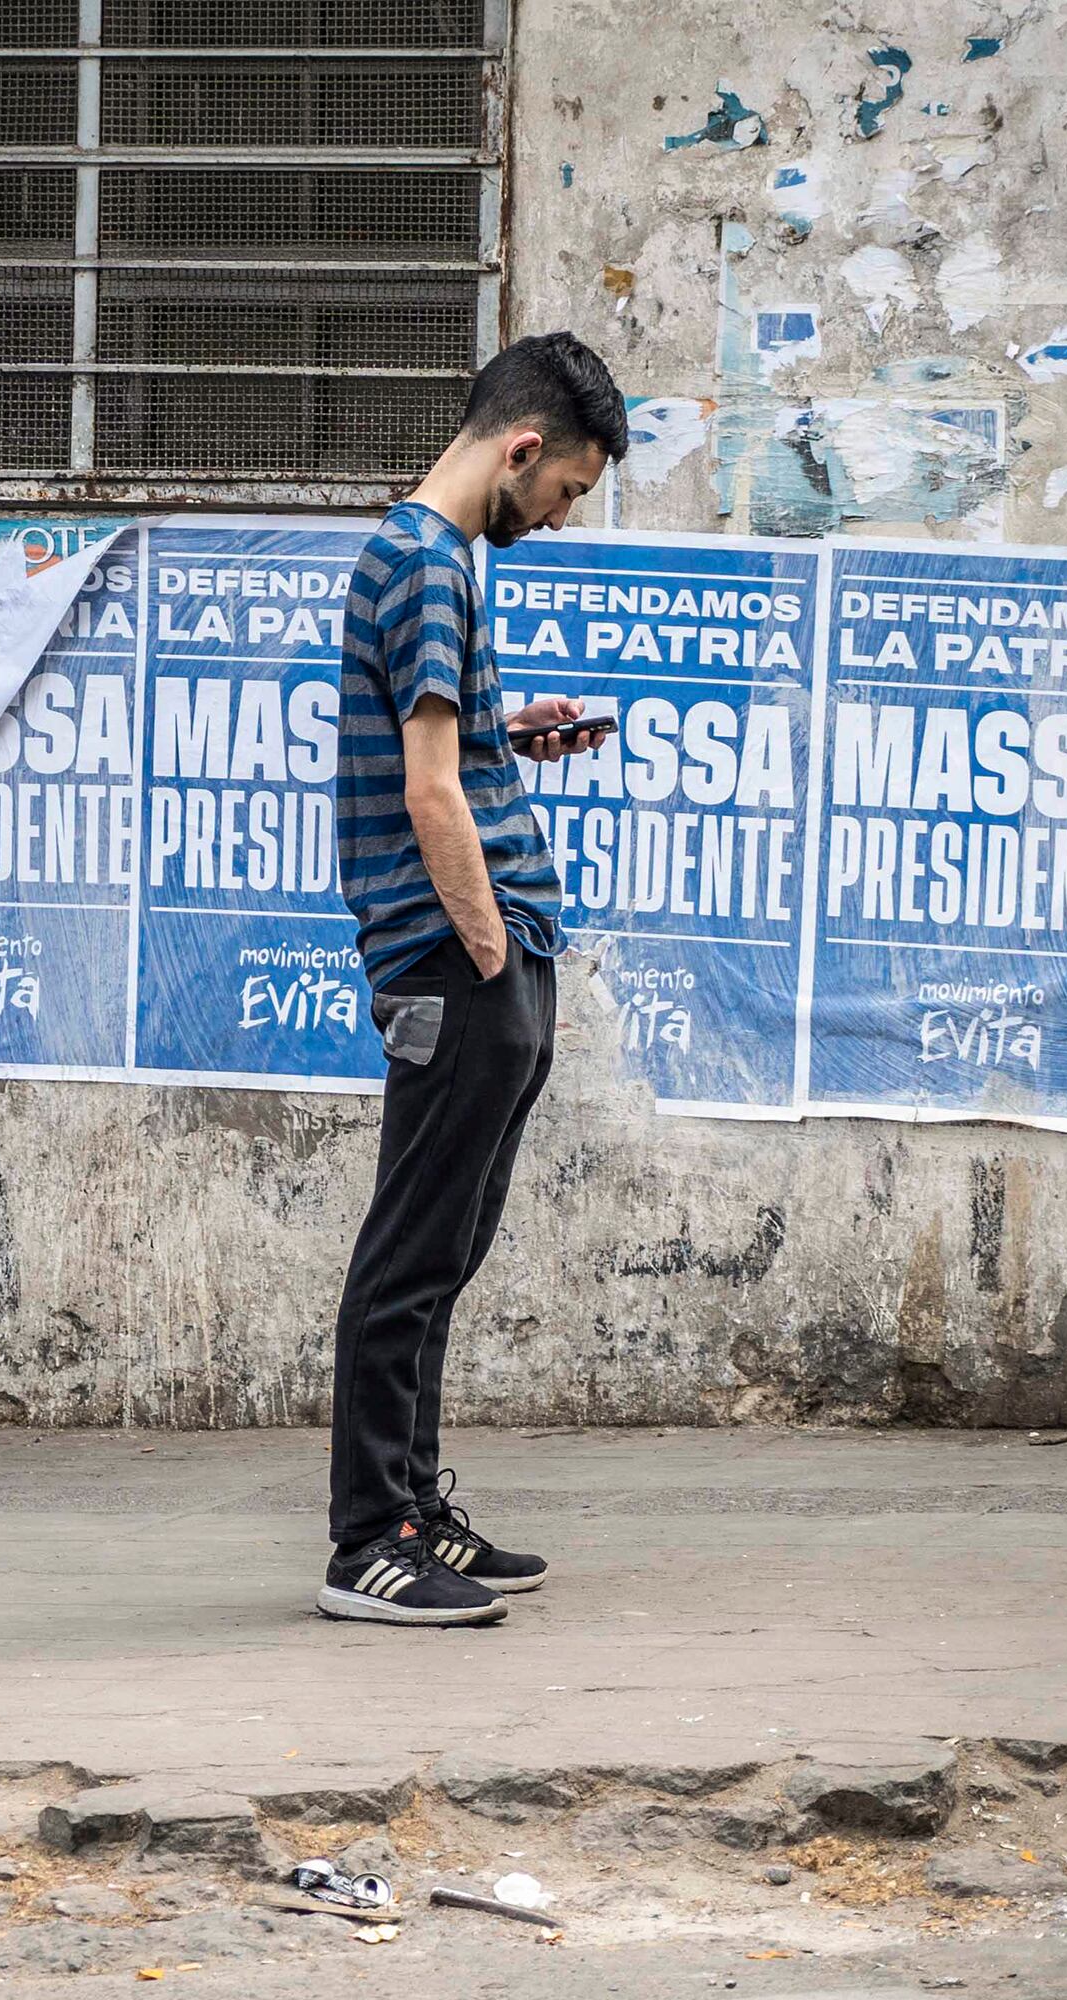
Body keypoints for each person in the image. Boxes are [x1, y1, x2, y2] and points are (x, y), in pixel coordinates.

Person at [319, 331, 626, 1628]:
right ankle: (368, 1543)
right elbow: (426, 786)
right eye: (563, 494)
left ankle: (415, 1508)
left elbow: (445, 746)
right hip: (461, 957)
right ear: (521, 449)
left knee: (444, 1248)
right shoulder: (429, 567)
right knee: (411, 1252)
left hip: (480, 951)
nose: (554, 521)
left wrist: (517, 733)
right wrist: (487, 948)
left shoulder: (424, 562)